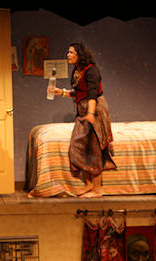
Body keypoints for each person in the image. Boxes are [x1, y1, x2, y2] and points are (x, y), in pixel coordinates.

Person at [48, 42, 115, 198]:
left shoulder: (92, 71)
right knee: (77, 145)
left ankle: (97, 190)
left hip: (95, 111)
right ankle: (89, 184)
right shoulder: (77, 71)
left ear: (80, 55)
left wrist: (90, 114)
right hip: (83, 111)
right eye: (68, 52)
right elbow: (79, 93)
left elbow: (92, 95)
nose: (68, 55)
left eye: (71, 52)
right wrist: (61, 92)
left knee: (94, 148)